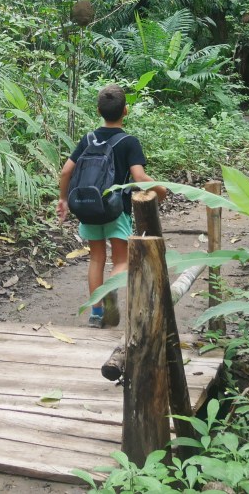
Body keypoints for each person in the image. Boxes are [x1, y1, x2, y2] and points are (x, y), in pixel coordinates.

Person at [57, 83, 166, 328]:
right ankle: (110, 292)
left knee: (96, 259)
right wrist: (161, 188)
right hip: (116, 210)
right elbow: (139, 177)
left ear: (98, 110)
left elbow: (66, 171)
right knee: (121, 261)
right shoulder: (129, 142)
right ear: (125, 111)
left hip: (88, 207)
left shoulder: (88, 139)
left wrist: (63, 199)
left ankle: (96, 313)